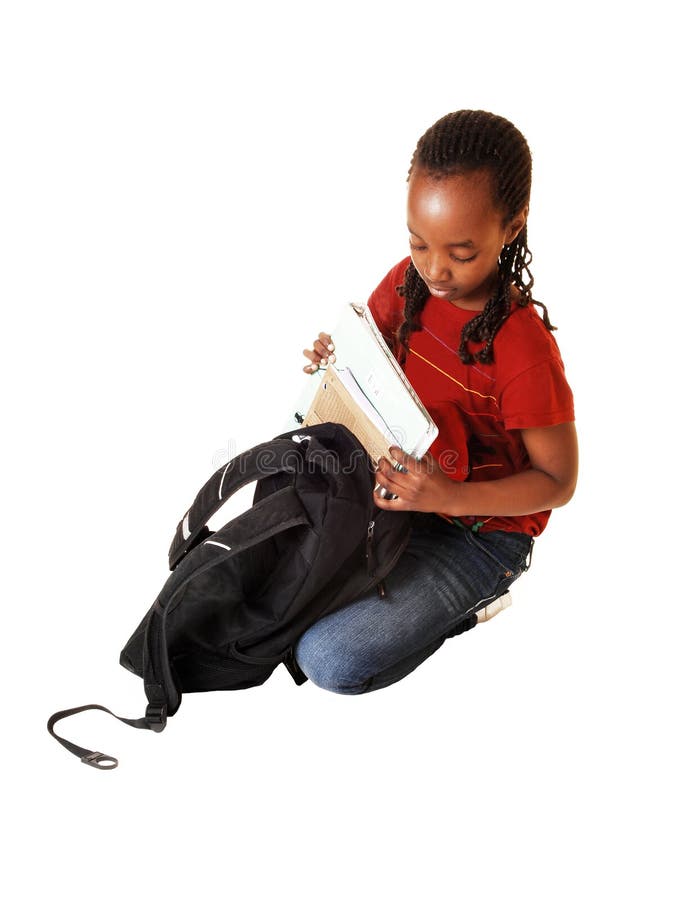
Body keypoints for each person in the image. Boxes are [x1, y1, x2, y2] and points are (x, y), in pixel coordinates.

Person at [295, 109, 578, 694]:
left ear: (513, 225)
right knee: (274, 589)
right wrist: (335, 356)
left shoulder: (522, 351)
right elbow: (370, 357)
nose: (435, 269)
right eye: (419, 243)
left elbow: (558, 481)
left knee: (327, 660)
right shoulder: (410, 283)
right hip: (400, 485)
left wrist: (448, 496)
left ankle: (473, 602)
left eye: (462, 252)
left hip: (480, 532)